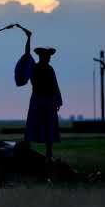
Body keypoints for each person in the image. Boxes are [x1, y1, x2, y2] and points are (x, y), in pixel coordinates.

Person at [14, 25, 62, 162]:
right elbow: (27, 54)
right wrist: (28, 38)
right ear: (41, 56)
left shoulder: (50, 69)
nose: (47, 57)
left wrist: (57, 100)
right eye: (45, 55)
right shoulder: (34, 67)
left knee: (50, 127)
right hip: (37, 99)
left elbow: (55, 85)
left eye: (48, 56)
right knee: (33, 124)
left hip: (49, 100)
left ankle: (49, 154)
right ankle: (26, 150)